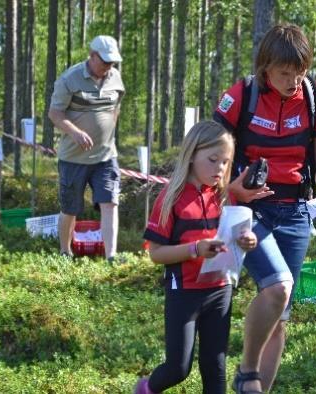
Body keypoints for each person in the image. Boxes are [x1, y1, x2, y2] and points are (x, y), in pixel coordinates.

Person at [213, 24, 316, 393]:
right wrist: (232, 188)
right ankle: (247, 372)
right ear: (265, 68)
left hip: (295, 211)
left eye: (300, 72)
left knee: (281, 312)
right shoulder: (241, 96)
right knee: (278, 288)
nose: (293, 81)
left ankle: (255, 386)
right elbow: (210, 160)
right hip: (249, 210)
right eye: (284, 73)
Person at [135, 120, 258, 394]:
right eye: (213, 160)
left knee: (216, 366)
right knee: (178, 368)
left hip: (220, 289)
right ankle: (145, 388)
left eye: (226, 162)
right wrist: (195, 249)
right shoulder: (171, 198)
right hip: (184, 292)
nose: (220, 169)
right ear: (191, 155)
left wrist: (246, 241)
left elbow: (232, 237)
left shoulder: (225, 198)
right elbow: (156, 254)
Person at [48, 35, 124, 261]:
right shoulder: (70, 79)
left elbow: (115, 109)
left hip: (106, 156)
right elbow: (55, 113)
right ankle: (65, 252)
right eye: (105, 61)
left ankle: (111, 256)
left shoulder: (115, 78)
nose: (109, 66)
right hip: (74, 158)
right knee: (70, 208)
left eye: (112, 62)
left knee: (110, 202)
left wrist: (107, 134)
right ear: (92, 56)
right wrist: (75, 132)